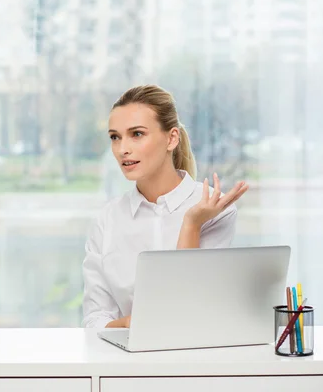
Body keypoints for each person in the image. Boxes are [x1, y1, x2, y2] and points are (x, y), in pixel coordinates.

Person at [82, 85, 249, 328]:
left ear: (171, 138)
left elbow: (188, 312)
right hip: (123, 359)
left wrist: (192, 224)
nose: (122, 149)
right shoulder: (107, 220)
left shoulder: (214, 210)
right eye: (115, 137)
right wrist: (131, 323)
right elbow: (95, 319)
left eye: (137, 134)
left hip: (193, 360)